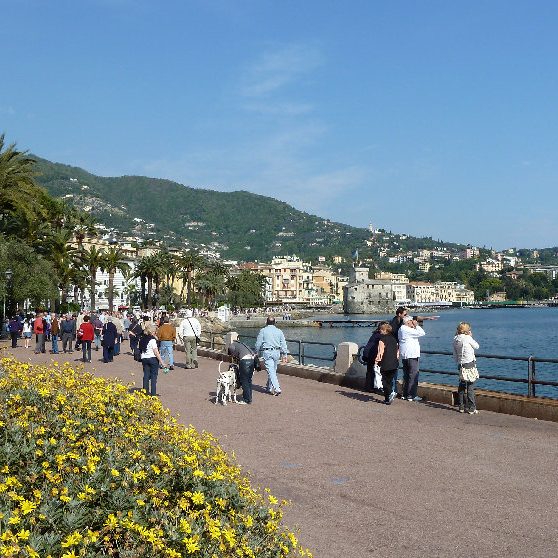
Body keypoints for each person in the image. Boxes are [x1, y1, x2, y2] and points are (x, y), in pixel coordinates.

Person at [255, 316, 288, 396]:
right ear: (274, 322)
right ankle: (269, 387)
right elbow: (283, 344)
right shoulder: (279, 331)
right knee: (272, 371)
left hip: (268, 352)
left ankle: (277, 388)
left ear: (266, 322)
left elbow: (258, 344)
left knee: (271, 371)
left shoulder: (263, 331)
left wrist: (256, 352)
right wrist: (285, 354)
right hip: (277, 352)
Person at [453, 322, 480, 415]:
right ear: (467, 330)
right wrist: (471, 336)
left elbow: (454, 354)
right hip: (469, 363)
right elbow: (477, 346)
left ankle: (461, 406)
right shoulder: (468, 338)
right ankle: (471, 408)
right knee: (470, 386)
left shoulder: (456, 339)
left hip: (460, 364)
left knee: (462, 385)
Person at [398, 315, 426, 401]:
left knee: (406, 375)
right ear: (408, 322)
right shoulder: (406, 329)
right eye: (412, 321)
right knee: (413, 375)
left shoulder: (402, 329)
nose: (413, 322)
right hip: (411, 355)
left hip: (406, 355)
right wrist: (416, 325)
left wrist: (414, 326)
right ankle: (411, 395)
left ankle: (405, 394)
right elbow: (422, 333)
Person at [374, 323, 400, 404]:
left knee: (384, 381)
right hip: (394, 363)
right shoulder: (394, 339)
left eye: (381, 329)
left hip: (385, 363)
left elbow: (380, 352)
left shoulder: (382, 340)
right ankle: (389, 395)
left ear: (385, 330)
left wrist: (376, 361)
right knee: (390, 380)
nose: (380, 331)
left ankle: (388, 396)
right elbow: (397, 352)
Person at [227, 339, 256, 405]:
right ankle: (249, 397)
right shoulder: (242, 344)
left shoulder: (232, 345)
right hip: (252, 360)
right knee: (249, 380)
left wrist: (232, 355)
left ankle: (246, 399)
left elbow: (232, 353)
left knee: (244, 380)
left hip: (245, 361)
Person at [139, 324, 165, 396]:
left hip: (144, 358)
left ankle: (145, 392)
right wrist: (162, 362)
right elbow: (156, 352)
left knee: (146, 375)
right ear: (152, 331)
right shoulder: (152, 340)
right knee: (153, 377)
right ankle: (153, 393)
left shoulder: (142, 338)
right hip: (152, 358)